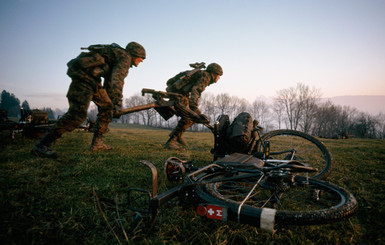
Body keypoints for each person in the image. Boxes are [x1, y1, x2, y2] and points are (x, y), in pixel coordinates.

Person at [31, 42, 146, 158]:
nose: (141, 61)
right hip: (84, 79)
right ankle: (42, 145)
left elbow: (110, 82)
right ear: (135, 54)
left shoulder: (118, 55)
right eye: (141, 58)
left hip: (92, 80)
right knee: (77, 115)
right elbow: (118, 79)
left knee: (107, 106)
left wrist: (113, 102)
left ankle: (98, 143)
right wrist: (117, 101)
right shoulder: (125, 57)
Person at [164, 63, 223, 150]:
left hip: (176, 92)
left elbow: (170, 81)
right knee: (193, 116)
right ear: (214, 74)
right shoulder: (206, 77)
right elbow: (196, 90)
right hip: (178, 95)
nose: (219, 78)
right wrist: (193, 106)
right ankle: (172, 141)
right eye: (219, 75)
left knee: (191, 116)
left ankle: (177, 135)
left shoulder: (200, 73)